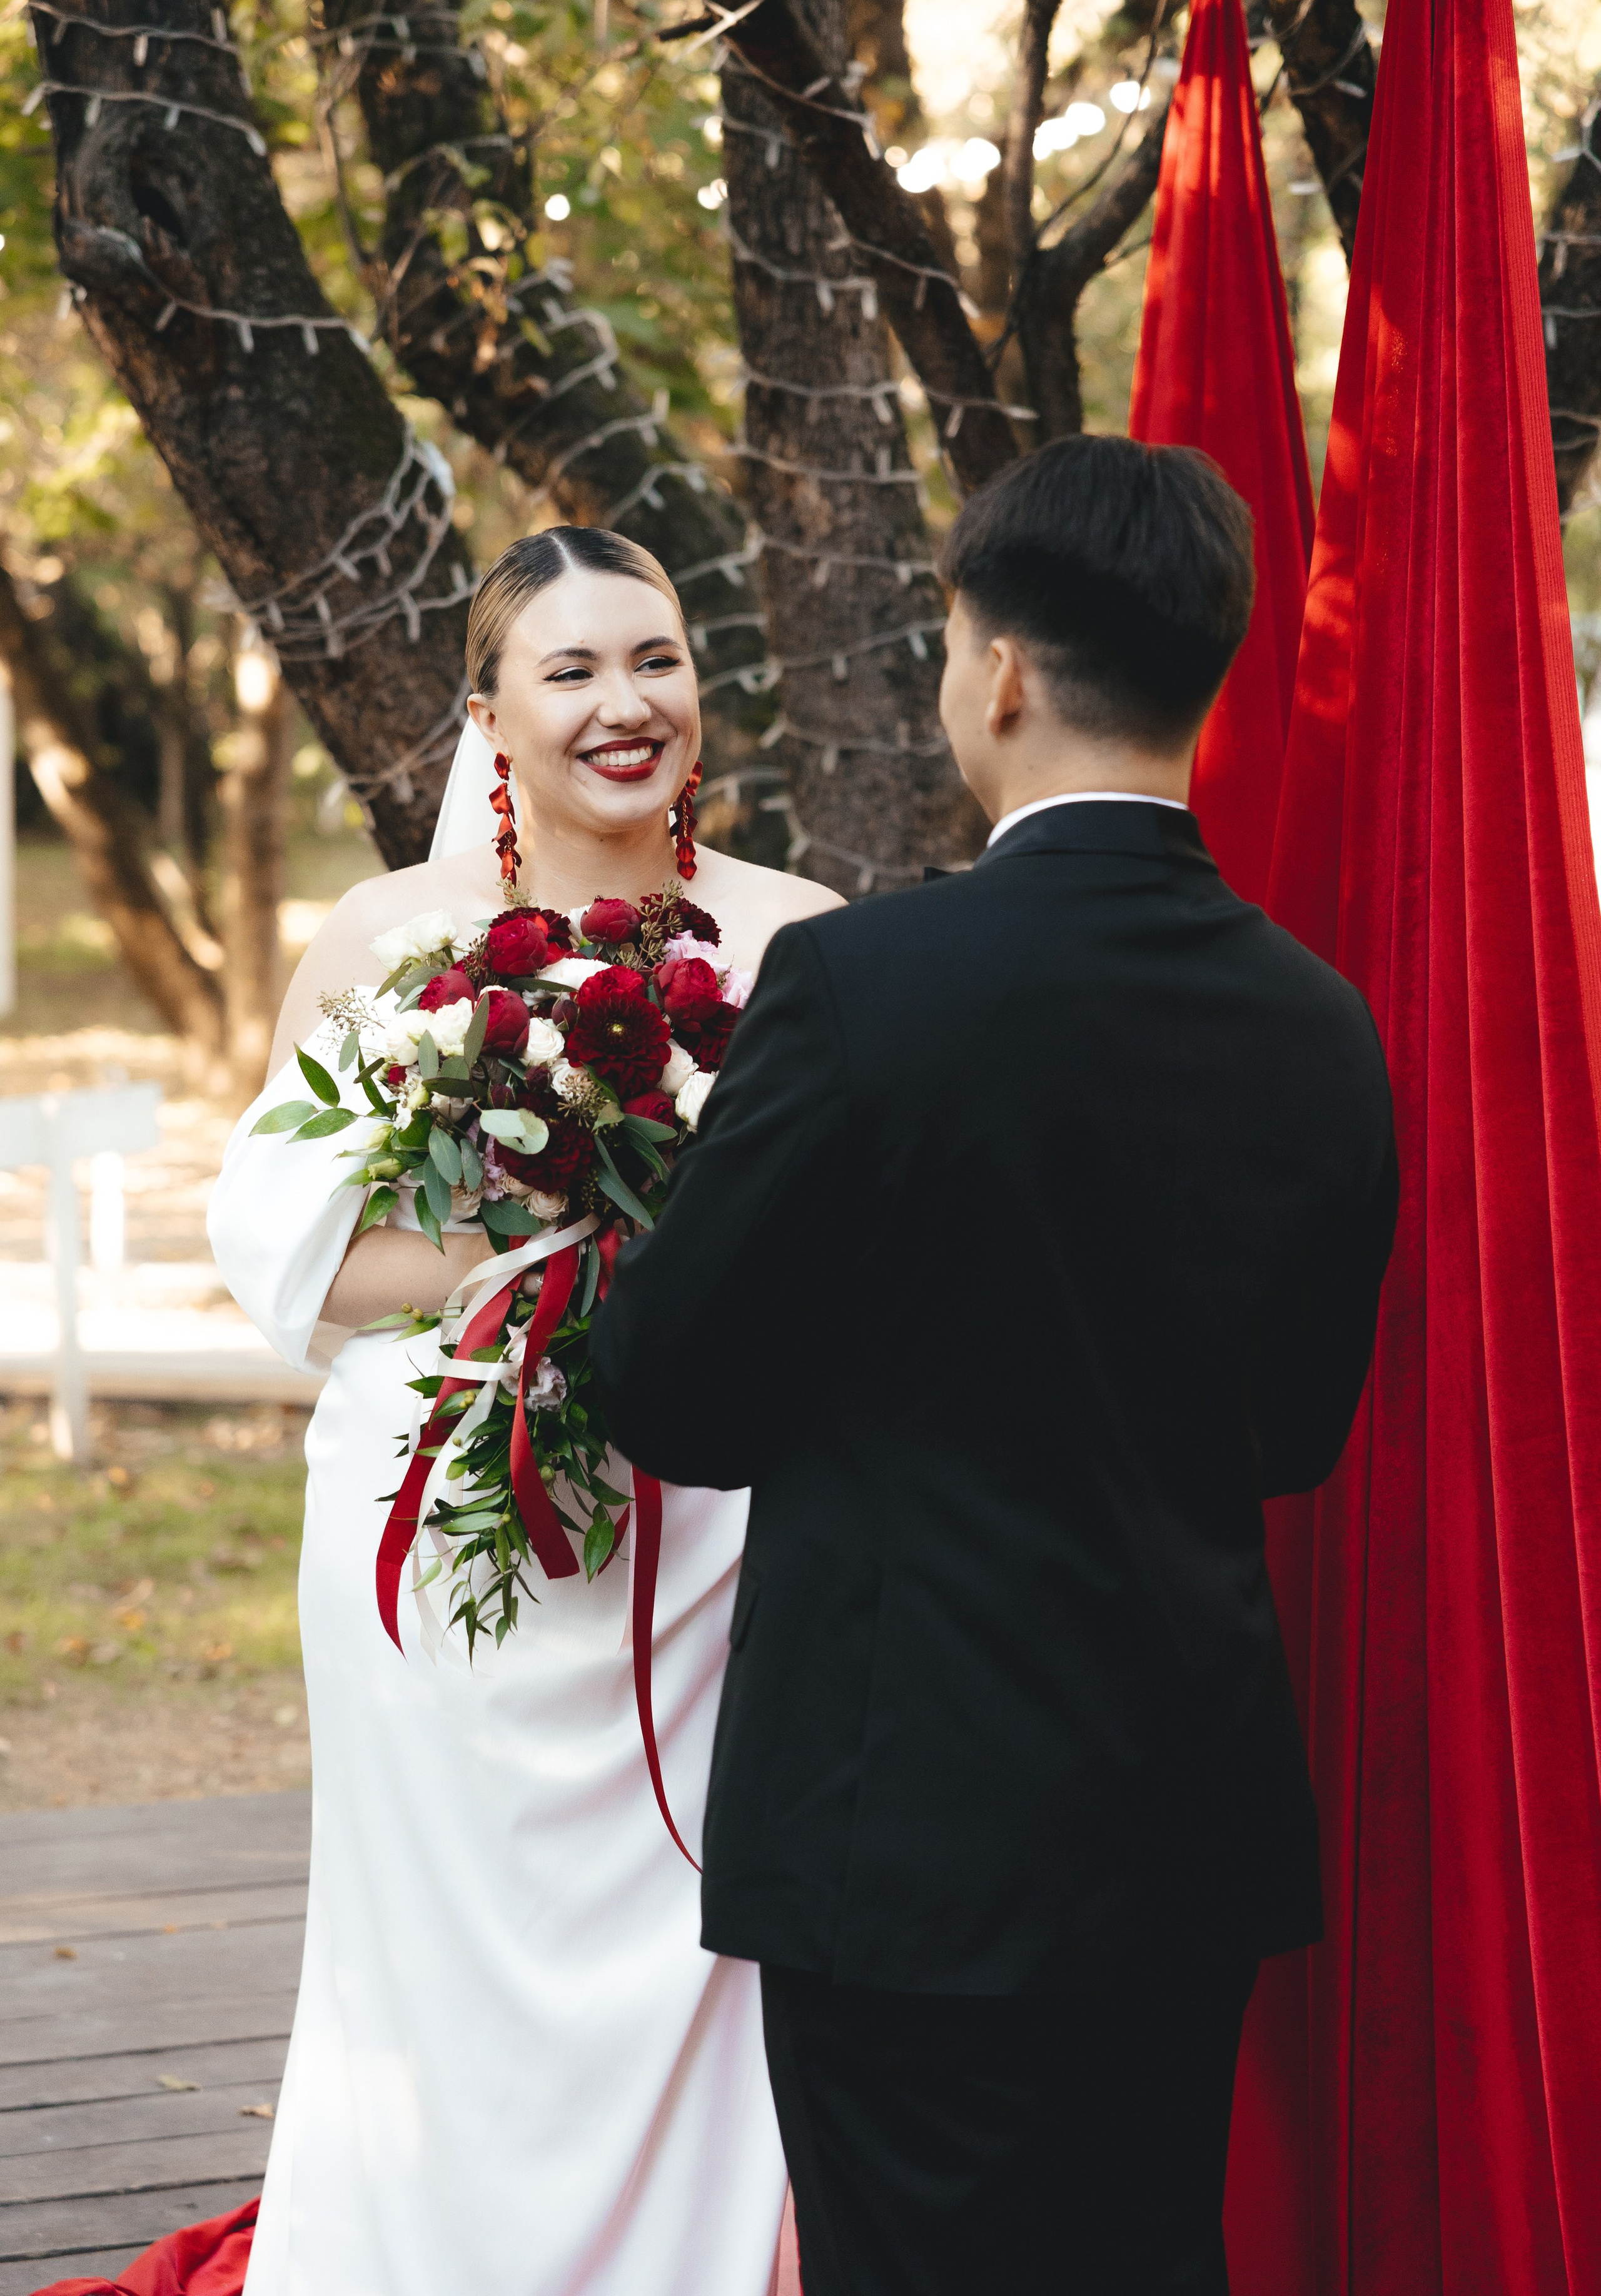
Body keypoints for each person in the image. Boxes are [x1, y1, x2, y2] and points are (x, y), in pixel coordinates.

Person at [590, 435, 1399, 2295]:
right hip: (1183, 1819)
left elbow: (672, 1389)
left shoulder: (864, 988)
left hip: (906, 1829)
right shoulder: (1321, 1023)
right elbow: (1296, 1429)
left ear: (1004, 671)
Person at [207, 526, 842, 2296]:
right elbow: (288, 1251)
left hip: (710, 1540)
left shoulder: (805, 939)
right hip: (439, 1526)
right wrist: (549, 1235)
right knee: (437, 1943)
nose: (624, 704)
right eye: (570, 671)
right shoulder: (386, 938)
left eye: (656, 659)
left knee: (697, 1928)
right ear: (487, 713)